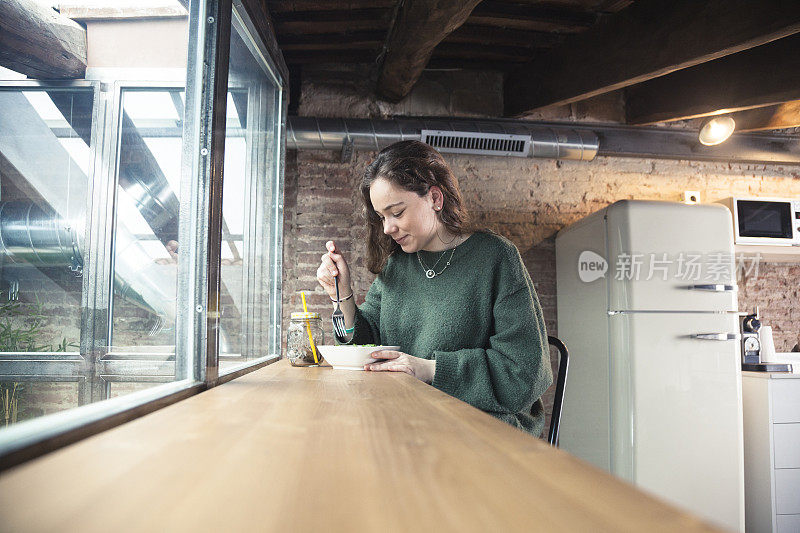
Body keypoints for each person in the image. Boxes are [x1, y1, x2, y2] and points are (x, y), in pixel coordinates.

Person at [315, 140, 553, 436]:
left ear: (435, 198)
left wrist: (428, 369)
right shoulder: (397, 265)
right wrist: (343, 295)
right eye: (382, 217)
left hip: (483, 430)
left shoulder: (496, 257)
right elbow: (366, 346)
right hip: (412, 418)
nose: (387, 227)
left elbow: (524, 374)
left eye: (397, 212)